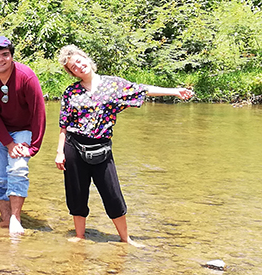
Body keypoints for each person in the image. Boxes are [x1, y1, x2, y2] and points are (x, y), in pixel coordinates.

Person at [55, 45, 193, 246]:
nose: (79, 66)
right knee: (76, 194)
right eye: (73, 67)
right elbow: (64, 124)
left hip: (101, 147)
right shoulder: (71, 92)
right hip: (74, 147)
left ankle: (125, 239)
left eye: (79, 61)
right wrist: (60, 152)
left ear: (86, 59)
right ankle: (80, 236)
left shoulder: (113, 85)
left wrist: (175, 92)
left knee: (112, 194)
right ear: (71, 72)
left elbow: (143, 89)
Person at [0, 36, 46, 235]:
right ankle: (5, 219)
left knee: (18, 169)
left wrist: (33, 146)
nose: (0, 59)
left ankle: (15, 218)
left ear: (12, 56)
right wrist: (8, 143)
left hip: (22, 128)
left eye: (5, 55)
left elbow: (38, 112)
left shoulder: (27, 76)